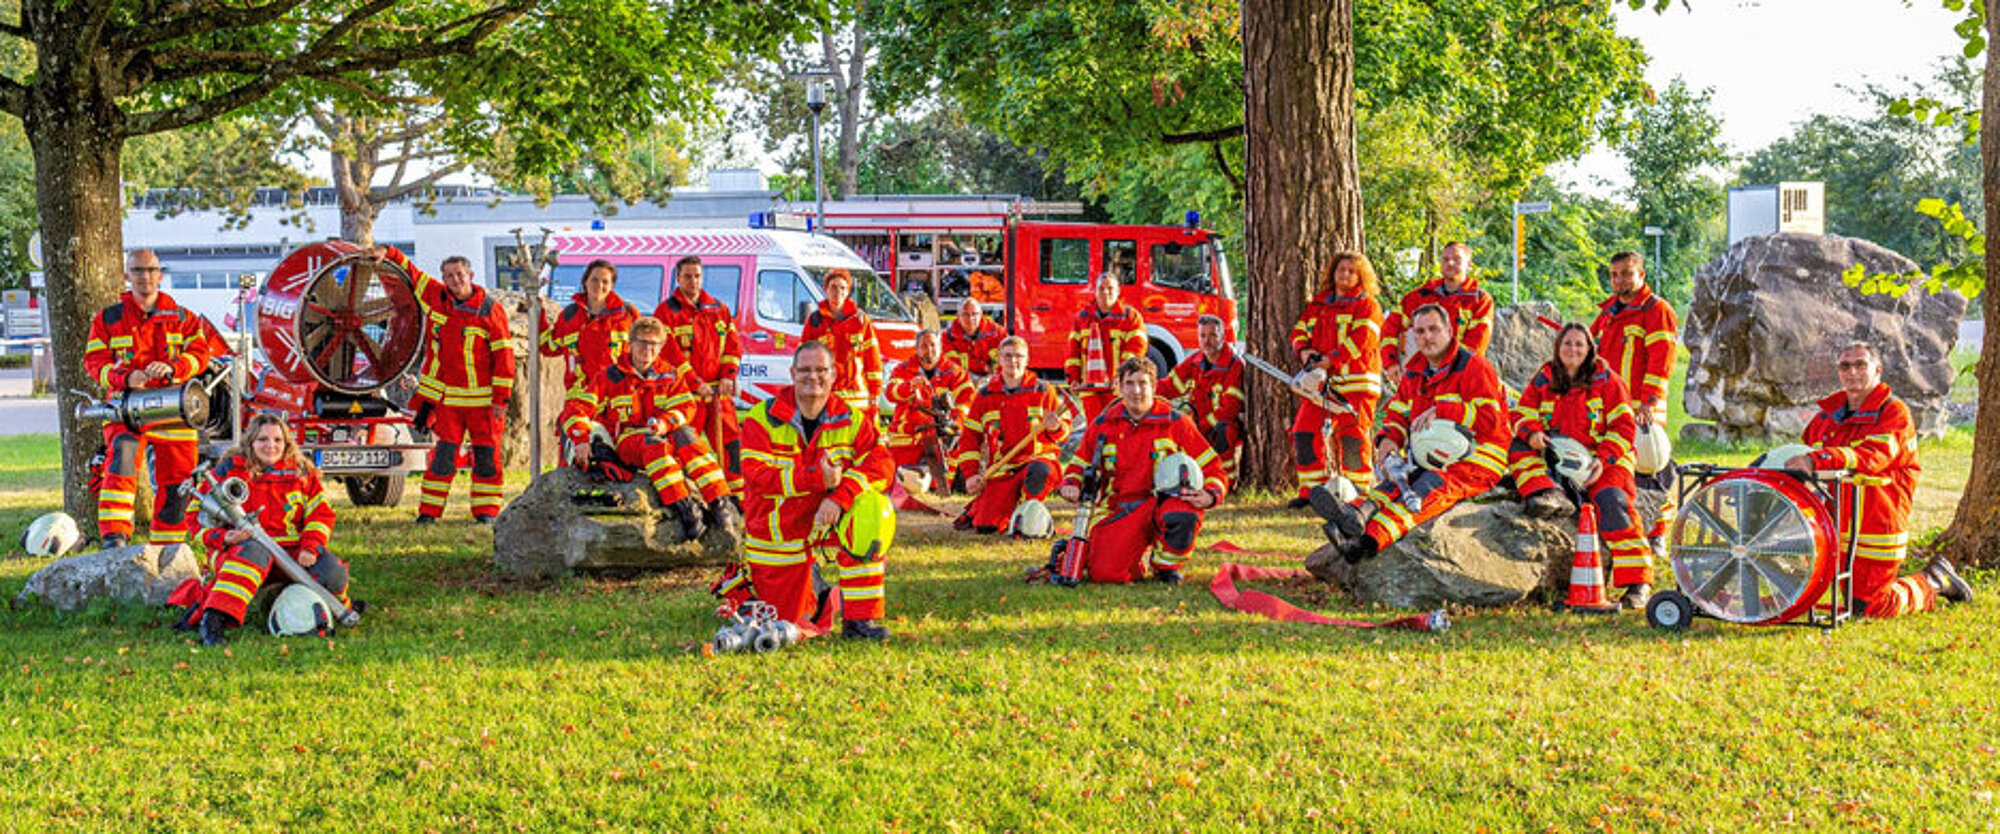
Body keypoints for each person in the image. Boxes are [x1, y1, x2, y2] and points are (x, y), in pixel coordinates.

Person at [1782, 342, 1972, 617]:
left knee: (1869, 607)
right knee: (1823, 594)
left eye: (1861, 364)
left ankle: (1934, 581)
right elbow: (1803, 453)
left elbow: (1874, 455)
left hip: (1877, 525)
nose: (1852, 371)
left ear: (1878, 370)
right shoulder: (1826, 416)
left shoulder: (1894, 413)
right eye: (1845, 366)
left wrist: (1818, 460)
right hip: (1835, 523)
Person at [1312, 304, 1510, 564]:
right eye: (1420, 331)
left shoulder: (1475, 367)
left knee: (1425, 488)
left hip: (1476, 459)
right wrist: (1388, 440)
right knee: (1394, 481)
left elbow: (1492, 420)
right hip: (1431, 454)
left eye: (1434, 329)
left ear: (1450, 331)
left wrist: (1443, 410)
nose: (1427, 337)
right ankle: (1355, 516)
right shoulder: (1414, 373)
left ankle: (1364, 544)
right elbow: (1397, 414)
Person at [738, 341, 896, 639]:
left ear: (834, 374)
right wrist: (815, 479)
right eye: (805, 370)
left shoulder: (851, 418)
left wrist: (840, 497)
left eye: (821, 370)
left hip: (829, 518)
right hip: (779, 532)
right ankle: (820, 591)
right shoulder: (761, 418)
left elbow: (883, 464)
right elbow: (757, 476)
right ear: (792, 373)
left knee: (873, 514)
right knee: (788, 622)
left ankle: (860, 622)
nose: (813, 377)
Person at [83, 249, 224, 549]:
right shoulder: (108, 318)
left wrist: (174, 368)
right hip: (127, 410)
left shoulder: (182, 317)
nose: (144, 276)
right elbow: (94, 362)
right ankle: (115, 539)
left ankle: (167, 547)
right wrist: (125, 378)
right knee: (120, 468)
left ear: (160, 274)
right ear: (127, 275)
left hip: (174, 409)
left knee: (178, 482)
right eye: (137, 270)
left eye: (150, 270)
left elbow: (201, 355)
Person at [1508, 324, 1652, 606]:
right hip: (1558, 459)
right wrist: (1533, 433)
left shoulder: (1607, 380)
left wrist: (1604, 458)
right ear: (1557, 348)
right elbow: (1522, 413)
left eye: (1578, 345)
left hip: (1603, 461)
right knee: (1519, 447)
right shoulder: (1545, 377)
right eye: (1567, 344)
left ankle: (1638, 583)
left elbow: (1624, 427)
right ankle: (1546, 494)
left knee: (1613, 503)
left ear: (1589, 350)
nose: (1572, 350)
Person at [178, 414, 350, 647]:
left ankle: (339, 608)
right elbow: (195, 517)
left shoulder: (301, 473)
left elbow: (321, 515)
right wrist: (223, 537)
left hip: (293, 555)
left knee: (332, 571)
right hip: (241, 551)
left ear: (286, 443)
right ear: (251, 442)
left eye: (278, 440)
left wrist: (310, 547)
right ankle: (214, 619)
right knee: (253, 553)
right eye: (263, 440)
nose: (271, 446)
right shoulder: (229, 471)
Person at [374, 246, 515, 524]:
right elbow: (412, 274)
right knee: (442, 458)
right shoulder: (436, 296)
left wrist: (501, 400)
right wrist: (387, 252)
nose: (455, 280)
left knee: (486, 459)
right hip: (447, 401)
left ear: (471, 275)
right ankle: (429, 512)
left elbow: (504, 357)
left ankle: (487, 512)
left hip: (482, 403)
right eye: (449, 275)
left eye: (460, 274)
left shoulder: (490, 310)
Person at [561, 316, 738, 534]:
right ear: (630, 344)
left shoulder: (670, 375)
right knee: (654, 445)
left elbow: (686, 407)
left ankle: (720, 503)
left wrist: (665, 423)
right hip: (629, 443)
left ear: (661, 347)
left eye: (654, 344)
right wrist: (581, 441)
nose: (647, 350)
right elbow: (577, 408)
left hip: (663, 434)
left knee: (689, 437)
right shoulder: (609, 376)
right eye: (642, 343)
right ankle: (686, 509)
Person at [1061, 358, 1228, 584]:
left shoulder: (1175, 422)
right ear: (1119, 387)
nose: (1136, 390)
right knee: (1105, 574)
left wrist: (1210, 494)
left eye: (1143, 383)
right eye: (1129, 383)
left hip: (1162, 503)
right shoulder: (1103, 425)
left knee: (1183, 515)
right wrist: (1071, 484)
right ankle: (1128, 556)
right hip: (1119, 507)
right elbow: (1077, 467)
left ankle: (1165, 566)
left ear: (1154, 386)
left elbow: (1212, 466)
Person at [1590, 250, 1680, 554]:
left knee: (1653, 465)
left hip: (1642, 407)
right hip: (1610, 406)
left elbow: (1662, 360)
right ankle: (1632, 523)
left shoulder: (1656, 310)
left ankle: (1659, 532)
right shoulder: (1607, 313)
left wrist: (1648, 402)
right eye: (1615, 275)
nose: (1619, 280)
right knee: (1622, 467)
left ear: (1641, 275)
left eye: (1627, 273)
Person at [1286, 251, 1385, 508]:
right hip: (1319, 385)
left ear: (1361, 275)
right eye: (1341, 269)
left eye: (1352, 271)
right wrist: (1304, 350)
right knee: (1304, 432)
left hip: (1356, 385)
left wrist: (1332, 359)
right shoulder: (1319, 304)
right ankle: (1311, 492)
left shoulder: (1368, 305)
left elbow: (1364, 339)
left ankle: (1359, 496)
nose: (1345, 274)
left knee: (1353, 438)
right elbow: (1299, 331)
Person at [952, 336, 1073, 533]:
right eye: (1008, 356)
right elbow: (970, 439)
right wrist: (971, 473)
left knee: (1038, 473)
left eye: (1019, 356)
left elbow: (1065, 431)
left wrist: (1055, 428)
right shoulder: (985, 396)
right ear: (999, 359)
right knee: (986, 526)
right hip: (1003, 468)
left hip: (1038, 462)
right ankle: (992, 508)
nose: (1013, 361)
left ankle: (1031, 514)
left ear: (1027, 360)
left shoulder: (1043, 390)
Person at [654, 255, 744, 491]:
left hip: (717, 396)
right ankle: (691, 497)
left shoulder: (718, 309)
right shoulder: (665, 312)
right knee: (685, 449)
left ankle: (738, 500)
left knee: (732, 448)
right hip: (686, 398)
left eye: (697, 276)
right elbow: (670, 356)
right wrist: (695, 383)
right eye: (687, 276)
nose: (693, 282)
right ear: (678, 278)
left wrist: (728, 375)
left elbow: (733, 347)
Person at [1158, 314, 1246, 486]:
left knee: (1224, 431)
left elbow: (1231, 409)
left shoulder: (1234, 365)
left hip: (1224, 426)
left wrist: (1200, 426)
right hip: (1198, 425)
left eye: (1213, 335)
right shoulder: (1194, 361)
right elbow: (1169, 386)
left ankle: (1228, 481)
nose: (1207, 341)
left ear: (1223, 337)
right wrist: (1144, 389)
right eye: (1203, 336)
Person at [1379, 241, 1494, 368]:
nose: (1450, 263)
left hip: (1458, 376)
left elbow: (1476, 345)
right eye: (1445, 259)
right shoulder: (1421, 295)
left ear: (1469, 265)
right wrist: (1391, 363)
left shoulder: (1480, 300)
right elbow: (1389, 328)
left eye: (1457, 259)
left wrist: (1446, 369)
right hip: (1420, 377)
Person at [542, 258, 644, 394]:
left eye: (605, 281)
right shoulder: (569, 316)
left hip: (619, 396)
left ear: (612, 285)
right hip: (580, 395)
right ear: (585, 282)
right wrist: (538, 314)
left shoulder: (628, 314)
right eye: (594, 280)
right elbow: (549, 348)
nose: (599, 285)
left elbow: (647, 351)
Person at [884, 329, 973, 483]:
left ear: (940, 347)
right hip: (908, 434)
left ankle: (941, 483)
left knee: (957, 441)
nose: (929, 350)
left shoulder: (955, 373)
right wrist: (909, 386)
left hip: (941, 432)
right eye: (924, 346)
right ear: (916, 349)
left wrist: (955, 423)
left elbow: (968, 400)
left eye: (933, 345)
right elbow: (891, 393)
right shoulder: (902, 370)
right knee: (902, 480)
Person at [800, 268, 884, 418]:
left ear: (848, 292)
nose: (838, 292)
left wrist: (875, 391)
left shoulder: (860, 320)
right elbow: (803, 359)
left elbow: (872, 358)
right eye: (833, 287)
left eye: (842, 288)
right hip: (825, 396)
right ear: (826, 290)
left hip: (858, 399)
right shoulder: (815, 321)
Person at [1064, 270, 1146, 421]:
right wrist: (1073, 378)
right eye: (1101, 288)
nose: (1105, 292)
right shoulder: (1082, 318)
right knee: (1095, 428)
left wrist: (1123, 376)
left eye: (1110, 289)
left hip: (1117, 388)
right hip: (1089, 389)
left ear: (1118, 291)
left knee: (1119, 427)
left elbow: (1135, 350)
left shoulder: (1130, 317)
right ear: (1094, 292)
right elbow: (1072, 353)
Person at [942, 297, 1005, 381]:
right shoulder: (946, 337)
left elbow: (1008, 359)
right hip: (961, 381)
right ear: (958, 316)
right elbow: (950, 365)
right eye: (965, 314)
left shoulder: (999, 333)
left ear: (981, 315)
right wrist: (983, 367)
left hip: (996, 380)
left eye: (974, 314)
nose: (970, 318)